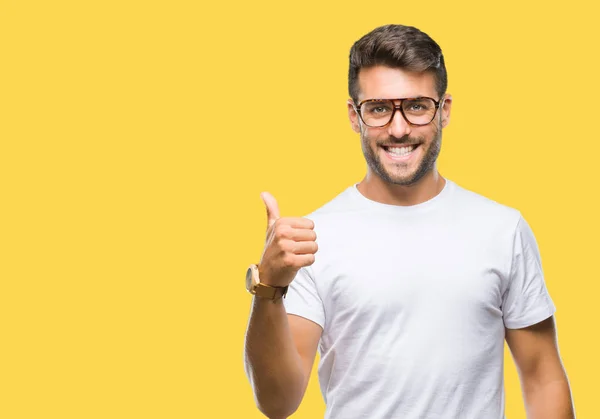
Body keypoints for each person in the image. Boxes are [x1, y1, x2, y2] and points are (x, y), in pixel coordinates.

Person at [243, 24, 575, 419]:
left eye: (417, 105)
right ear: (355, 116)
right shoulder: (314, 239)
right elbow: (278, 403)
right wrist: (268, 287)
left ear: (444, 110)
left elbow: (543, 377)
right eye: (379, 109)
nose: (399, 129)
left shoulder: (503, 230)